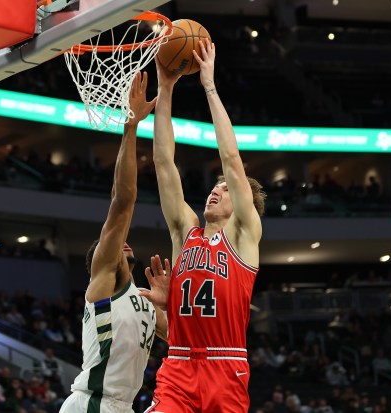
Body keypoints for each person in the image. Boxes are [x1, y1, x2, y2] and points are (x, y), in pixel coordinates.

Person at [141, 39, 265, 413]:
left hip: (224, 366)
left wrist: (209, 85)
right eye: (214, 186)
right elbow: (164, 164)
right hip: (178, 364)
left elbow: (230, 158)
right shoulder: (186, 230)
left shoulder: (243, 234)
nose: (216, 190)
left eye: (225, 189)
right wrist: (165, 90)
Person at [59, 72, 167, 412]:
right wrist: (131, 125)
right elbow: (122, 201)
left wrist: (168, 303)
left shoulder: (145, 300)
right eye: (113, 242)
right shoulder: (105, 280)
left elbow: (184, 339)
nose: (123, 241)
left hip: (121, 406)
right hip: (93, 404)